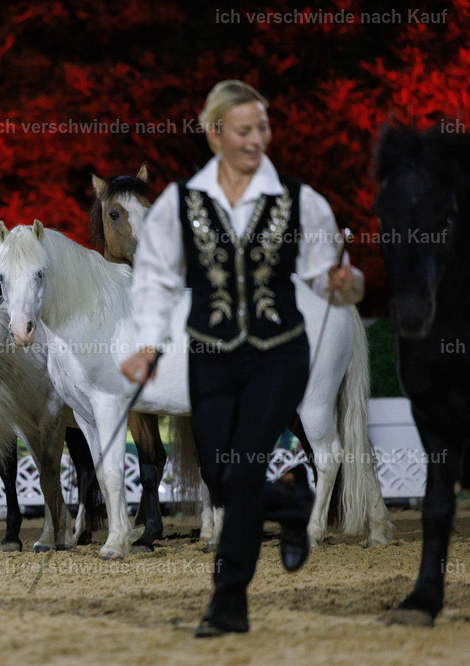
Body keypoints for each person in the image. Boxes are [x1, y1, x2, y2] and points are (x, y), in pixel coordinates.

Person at [120, 80, 363, 637]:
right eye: (243, 129)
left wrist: (347, 283)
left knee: (244, 464)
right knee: (223, 475)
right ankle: (294, 502)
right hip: (212, 356)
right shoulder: (178, 203)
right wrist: (150, 346)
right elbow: (155, 282)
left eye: (262, 128)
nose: (257, 139)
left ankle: (228, 602)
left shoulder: (302, 201)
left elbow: (329, 279)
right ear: (214, 134)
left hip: (279, 353)